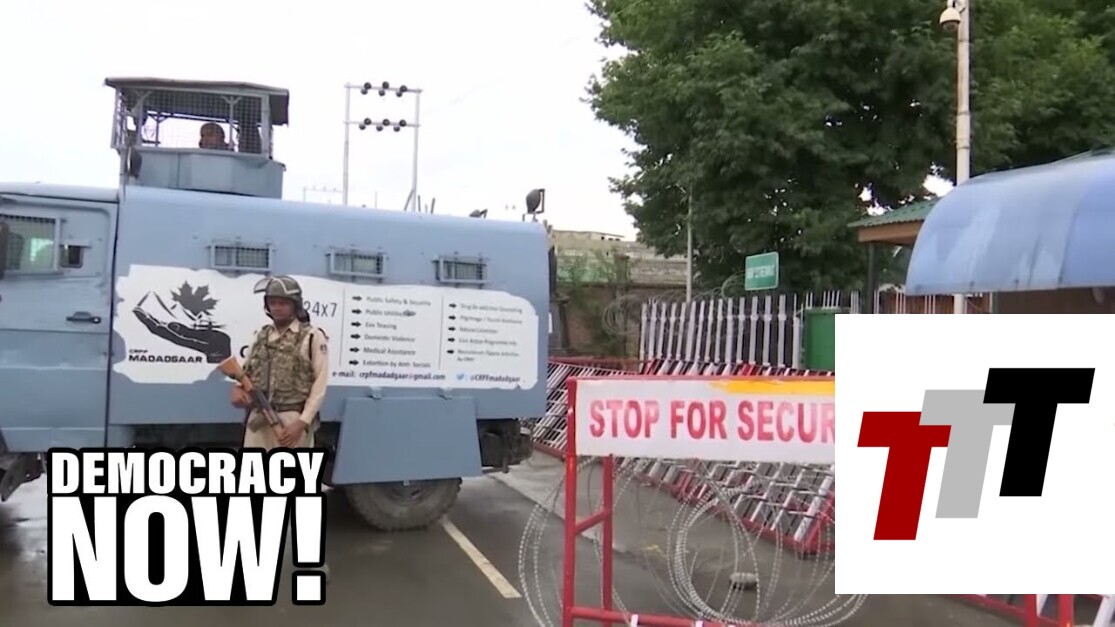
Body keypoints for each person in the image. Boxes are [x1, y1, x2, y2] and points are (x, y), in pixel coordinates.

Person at [230, 275, 331, 583]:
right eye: (272, 302)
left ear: (295, 305)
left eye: (283, 303)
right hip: (258, 422)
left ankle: (311, 561)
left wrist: (302, 423)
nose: (277, 308)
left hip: (292, 422)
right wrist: (238, 392)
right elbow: (245, 376)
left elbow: (320, 385)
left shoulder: (312, 337)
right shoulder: (261, 336)